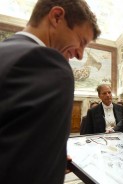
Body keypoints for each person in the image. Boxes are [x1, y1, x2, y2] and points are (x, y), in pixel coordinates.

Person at [0, 0, 100, 183]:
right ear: (56, 17)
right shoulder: (48, 65)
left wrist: (51, 157)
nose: (80, 54)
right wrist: (48, 165)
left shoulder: (6, 51)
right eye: (81, 41)